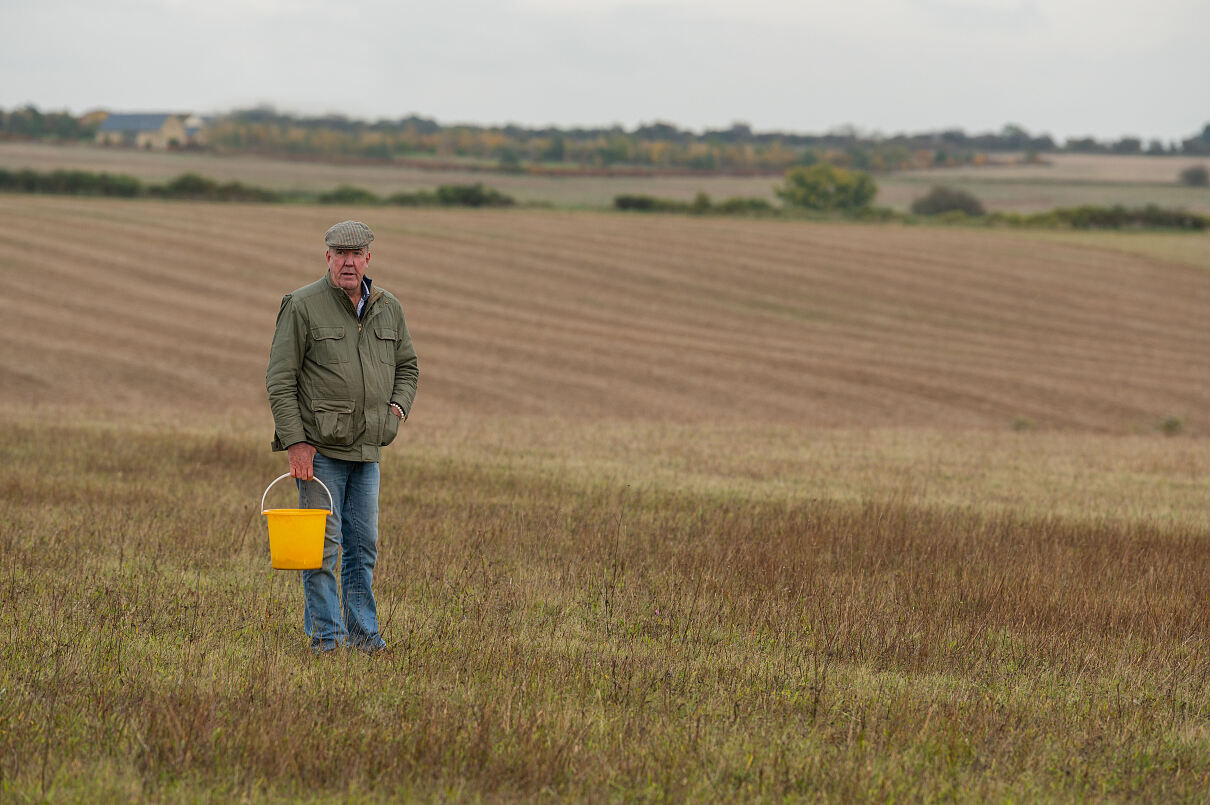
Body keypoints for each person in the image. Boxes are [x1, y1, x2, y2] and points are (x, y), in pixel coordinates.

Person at [266, 220, 419, 654]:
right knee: (320, 551)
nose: (348, 261)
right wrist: (295, 442)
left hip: (367, 450)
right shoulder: (301, 305)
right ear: (327, 257)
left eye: (357, 253)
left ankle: (363, 637)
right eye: (340, 253)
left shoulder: (388, 308)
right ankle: (327, 641)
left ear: (369, 258)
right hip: (320, 452)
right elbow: (280, 380)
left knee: (362, 548)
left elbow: (408, 367)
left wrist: (396, 410)